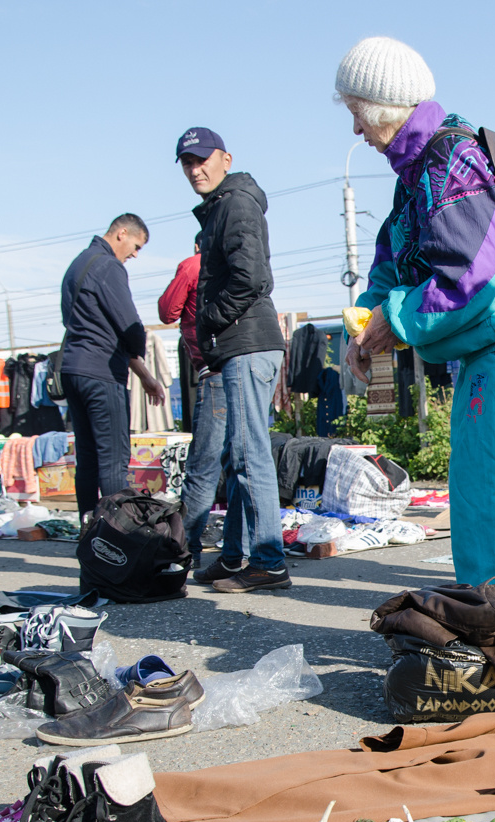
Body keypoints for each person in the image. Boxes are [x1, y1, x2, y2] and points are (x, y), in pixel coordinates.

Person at [335, 37, 495, 598]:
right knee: (479, 498)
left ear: (382, 106)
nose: (357, 131)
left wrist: (396, 321)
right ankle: (494, 640)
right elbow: (391, 265)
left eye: (356, 114)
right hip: (493, 347)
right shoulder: (414, 173)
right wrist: (366, 324)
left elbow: (472, 277)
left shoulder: (449, 160)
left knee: (491, 503)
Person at [177, 127, 290, 594]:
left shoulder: (236, 203)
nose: (195, 169)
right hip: (237, 344)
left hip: (246, 340)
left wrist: (211, 324)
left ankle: (269, 560)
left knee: (249, 454)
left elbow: (252, 279)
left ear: (225, 158)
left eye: (202, 159)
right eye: (186, 162)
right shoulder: (221, 206)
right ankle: (234, 556)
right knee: (236, 455)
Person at [58, 215, 168, 516]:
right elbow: (129, 325)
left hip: (74, 369)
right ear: (121, 234)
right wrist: (138, 346)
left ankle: (90, 536)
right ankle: (115, 542)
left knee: (89, 458)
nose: (134, 254)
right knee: (113, 459)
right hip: (101, 373)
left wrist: (144, 375)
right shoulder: (108, 266)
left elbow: (86, 324)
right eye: (136, 246)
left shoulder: (78, 264)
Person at [158, 235, 225, 574]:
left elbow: (167, 310)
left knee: (202, 467)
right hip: (245, 369)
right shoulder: (238, 264)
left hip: (214, 372)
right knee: (241, 464)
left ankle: (187, 551)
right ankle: (247, 554)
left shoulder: (195, 264)